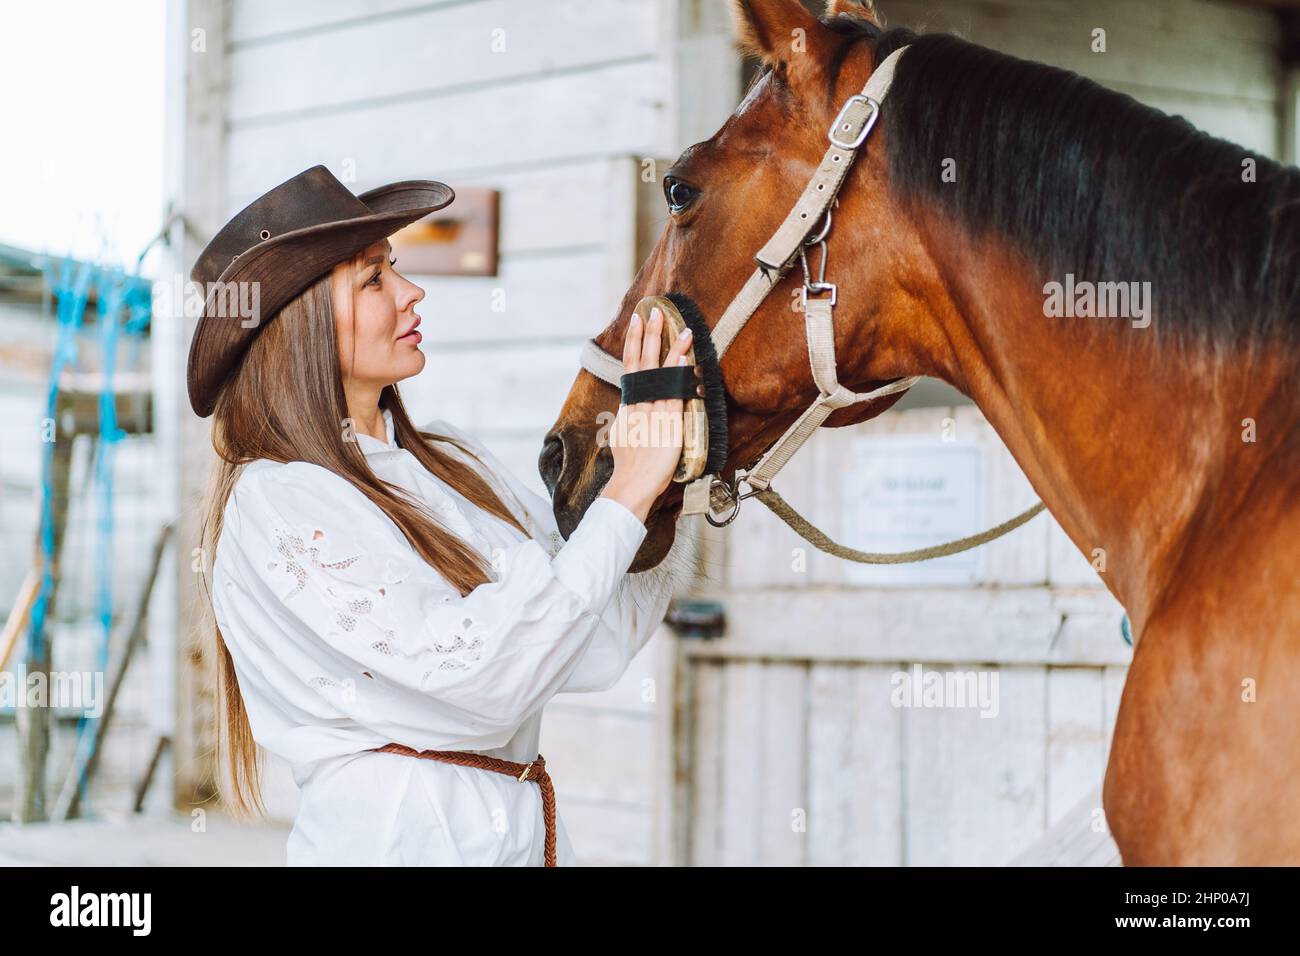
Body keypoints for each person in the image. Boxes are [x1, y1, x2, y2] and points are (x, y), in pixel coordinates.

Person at [187, 165, 694, 865]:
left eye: (395, 268)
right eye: (373, 280)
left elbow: (590, 637)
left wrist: (673, 478)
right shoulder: (277, 500)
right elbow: (483, 680)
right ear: (298, 327)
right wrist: (627, 493)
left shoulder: (451, 462)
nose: (411, 290)